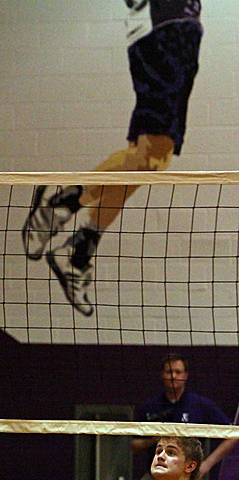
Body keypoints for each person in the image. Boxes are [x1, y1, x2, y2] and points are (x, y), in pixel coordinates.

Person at [21, 0, 203, 316]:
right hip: (165, 25)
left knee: (150, 160)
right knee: (152, 154)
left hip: (175, 29)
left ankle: (79, 249)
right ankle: (61, 203)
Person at [133, 354, 235, 479]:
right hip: (156, 474)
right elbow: (133, 444)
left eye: (178, 372)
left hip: (189, 475)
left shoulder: (200, 404)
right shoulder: (150, 407)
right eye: (169, 371)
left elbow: (233, 435)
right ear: (162, 375)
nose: (173, 376)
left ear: (185, 375)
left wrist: (207, 464)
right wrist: (153, 439)